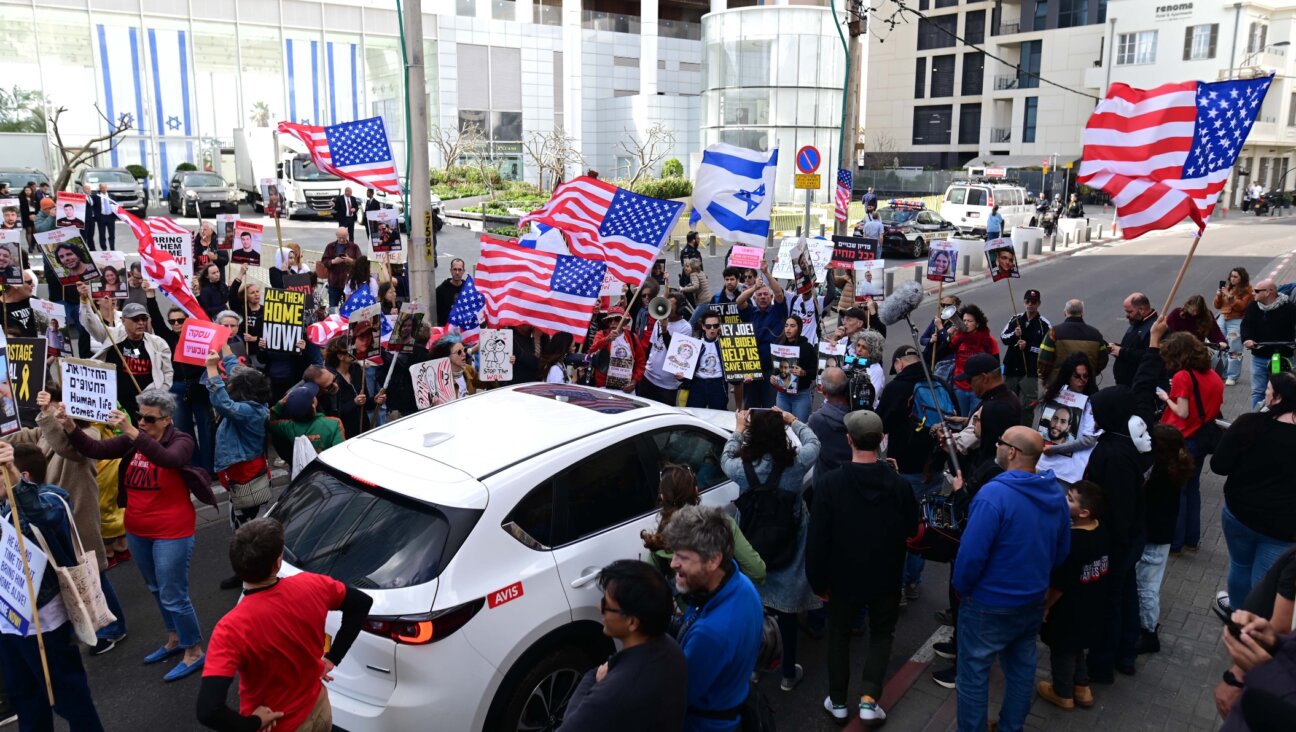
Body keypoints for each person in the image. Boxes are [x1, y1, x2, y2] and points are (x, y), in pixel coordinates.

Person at [63, 392, 211, 682]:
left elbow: (168, 460)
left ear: (167, 419)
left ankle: (194, 650)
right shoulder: (134, 438)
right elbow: (96, 448)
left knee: (174, 594)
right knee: (156, 589)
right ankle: (174, 639)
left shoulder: (180, 440)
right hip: (138, 530)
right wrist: (69, 426)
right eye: (139, 416)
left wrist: (131, 431)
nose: (142, 422)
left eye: (149, 418)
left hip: (172, 531)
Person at [198, 518, 374, 732]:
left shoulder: (231, 629)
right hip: (318, 710)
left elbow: (208, 710)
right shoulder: (312, 585)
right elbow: (361, 603)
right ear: (277, 564)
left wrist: (252, 723)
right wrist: (331, 658)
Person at [953, 426, 1070, 732]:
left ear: (1012, 452)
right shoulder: (1056, 494)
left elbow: (971, 555)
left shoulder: (994, 494)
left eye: (1000, 442)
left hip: (988, 603)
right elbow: (1061, 551)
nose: (997, 446)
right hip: (1032, 601)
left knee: (973, 674)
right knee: (1021, 670)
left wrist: (963, 589)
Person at [806, 410, 919, 724]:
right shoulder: (898, 485)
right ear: (882, 441)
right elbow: (912, 527)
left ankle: (838, 701)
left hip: (841, 578)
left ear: (848, 440)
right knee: (882, 635)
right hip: (886, 576)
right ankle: (869, 701)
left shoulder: (829, 484)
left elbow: (817, 541)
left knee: (839, 636)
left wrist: (818, 582)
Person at [0, 442, 107, 732]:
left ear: (20, 474)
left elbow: (46, 516)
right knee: (26, 699)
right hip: (10, 622)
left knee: (69, 698)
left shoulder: (51, 497)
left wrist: (16, 485)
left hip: (45, 624)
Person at [721, 407, 820, 692]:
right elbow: (815, 443)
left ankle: (755, 666)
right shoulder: (796, 463)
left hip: (752, 539)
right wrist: (793, 420)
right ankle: (788, 672)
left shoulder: (741, 467)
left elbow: (725, 456)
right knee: (787, 611)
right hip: (789, 540)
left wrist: (738, 429)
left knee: (754, 609)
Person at [661, 505, 763, 732]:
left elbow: (676, 698)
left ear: (714, 560)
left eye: (683, 557)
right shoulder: (741, 584)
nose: (673, 563)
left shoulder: (710, 635)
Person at [556, 560, 687, 732]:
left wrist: (592, 678)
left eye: (606, 605)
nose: (598, 607)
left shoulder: (614, 692)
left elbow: (568, 727)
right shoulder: (671, 649)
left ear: (632, 622)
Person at [1083, 383, 1154, 683]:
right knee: (1126, 594)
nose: (1094, 417)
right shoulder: (1130, 443)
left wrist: (1111, 543)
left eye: (1097, 412)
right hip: (1131, 535)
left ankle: (1102, 664)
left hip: (1117, 540)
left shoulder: (1112, 454)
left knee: (1109, 602)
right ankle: (1126, 653)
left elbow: (1117, 504)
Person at [1213, 371, 1296, 611]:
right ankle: (1251, 626)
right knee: (1265, 582)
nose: (1265, 394)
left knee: (1240, 566)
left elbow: (1219, 466)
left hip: (1239, 514)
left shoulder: (1249, 423)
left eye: (1268, 390)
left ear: (1278, 398)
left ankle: (1239, 616)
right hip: (1282, 528)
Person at [1037, 479, 1112, 711]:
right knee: (1077, 645)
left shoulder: (1073, 541)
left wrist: (1046, 606)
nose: (1063, 500)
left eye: (1069, 499)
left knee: (1062, 649)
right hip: (1093, 604)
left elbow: (1060, 584)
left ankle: (1062, 693)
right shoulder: (1102, 530)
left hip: (1069, 609)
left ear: (1083, 512)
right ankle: (1082, 687)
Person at [1156, 328, 1224, 555]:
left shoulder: (1182, 377)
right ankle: (1191, 540)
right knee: (1192, 489)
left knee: (1178, 492)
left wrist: (1167, 398)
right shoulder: (1212, 375)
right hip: (1202, 436)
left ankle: (1174, 543)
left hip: (1183, 437)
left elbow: (1183, 412)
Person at [641, 465, 766, 585]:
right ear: (696, 491)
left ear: (662, 497)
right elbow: (757, 571)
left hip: (692, 607)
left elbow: (644, 590)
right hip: (725, 602)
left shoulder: (658, 541)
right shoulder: (721, 523)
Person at [1134, 423, 1194, 656]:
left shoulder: (1158, 472)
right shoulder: (1175, 467)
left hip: (1153, 536)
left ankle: (1149, 633)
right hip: (1161, 534)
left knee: (1146, 587)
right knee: (1149, 584)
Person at [78, 294, 174, 420]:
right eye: (135, 319)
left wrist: (158, 395)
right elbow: (90, 323)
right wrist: (85, 302)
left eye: (143, 319)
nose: (141, 323)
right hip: (117, 404)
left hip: (146, 404)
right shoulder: (112, 336)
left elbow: (167, 372)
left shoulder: (158, 343)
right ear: (123, 321)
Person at [1035, 353, 1099, 484]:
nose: (1082, 381)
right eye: (1076, 376)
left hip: (1067, 474)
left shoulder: (1092, 402)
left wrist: (1055, 449)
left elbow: (1089, 440)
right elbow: (1042, 421)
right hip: (1043, 465)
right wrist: (1049, 398)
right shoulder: (1059, 392)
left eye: (1085, 376)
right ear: (1067, 376)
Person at [736, 265, 787, 408]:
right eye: (759, 295)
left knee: (771, 407)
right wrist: (754, 288)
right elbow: (739, 301)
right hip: (752, 368)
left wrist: (766, 273)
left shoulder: (778, 311)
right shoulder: (751, 312)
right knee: (750, 407)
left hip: (772, 369)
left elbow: (779, 294)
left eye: (766, 295)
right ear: (755, 298)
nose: (763, 297)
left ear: (771, 298)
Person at [1241, 278, 1296, 410]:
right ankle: (1255, 420)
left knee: (1280, 390)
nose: (1253, 293)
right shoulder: (1253, 307)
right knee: (1258, 391)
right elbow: (1246, 325)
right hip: (1259, 356)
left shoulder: (1289, 308)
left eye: (1257, 291)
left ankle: (1277, 417)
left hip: (1280, 357)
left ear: (1268, 292)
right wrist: (1247, 339)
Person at [1001, 289, 1050, 424]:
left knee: (1027, 406)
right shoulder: (1015, 319)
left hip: (1030, 372)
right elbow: (1004, 337)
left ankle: (1024, 434)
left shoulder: (1044, 324)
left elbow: (1047, 349)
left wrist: (1028, 347)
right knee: (1007, 404)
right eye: (1028, 301)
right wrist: (1014, 335)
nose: (1030, 304)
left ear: (1038, 304)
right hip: (1011, 370)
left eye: (1033, 302)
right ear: (1024, 302)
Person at [1037, 298, 1108, 383]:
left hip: (1058, 385)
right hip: (1086, 384)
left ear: (1065, 313)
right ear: (1082, 313)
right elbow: (1103, 360)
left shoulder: (1053, 333)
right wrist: (1090, 373)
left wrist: (1045, 378)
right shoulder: (1095, 334)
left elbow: (1044, 360)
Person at [639, 293, 692, 406]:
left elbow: (676, 354)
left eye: (671, 306)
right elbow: (651, 346)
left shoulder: (685, 327)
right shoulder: (659, 321)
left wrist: (664, 330)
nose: (667, 308)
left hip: (667, 385)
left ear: (679, 309)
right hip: (648, 377)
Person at [269, 383, 345, 458]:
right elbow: (340, 453)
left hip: (303, 467)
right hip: (327, 467)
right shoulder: (334, 423)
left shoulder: (287, 427)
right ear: (313, 406)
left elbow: (268, 423)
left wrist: (279, 405)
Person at [950, 305, 999, 417]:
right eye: (964, 320)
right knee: (961, 419)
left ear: (977, 324)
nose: (966, 323)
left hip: (979, 389)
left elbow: (996, 366)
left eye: (969, 321)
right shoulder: (958, 338)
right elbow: (941, 352)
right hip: (960, 387)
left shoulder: (989, 341)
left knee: (975, 419)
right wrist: (947, 335)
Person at [807, 367, 852, 476]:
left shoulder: (817, 419)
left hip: (824, 480)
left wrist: (793, 422)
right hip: (853, 479)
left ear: (823, 390)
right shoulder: (860, 413)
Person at [772, 316, 816, 421]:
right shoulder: (779, 346)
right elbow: (776, 370)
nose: (788, 329)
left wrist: (803, 372)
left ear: (799, 328)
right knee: (782, 428)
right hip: (782, 394)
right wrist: (773, 378)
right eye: (786, 326)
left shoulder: (807, 347)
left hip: (800, 395)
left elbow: (815, 372)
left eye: (792, 326)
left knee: (799, 427)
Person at [1214, 267, 1254, 385]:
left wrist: (1230, 297)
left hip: (1236, 320)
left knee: (1235, 348)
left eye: (1236, 277)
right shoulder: (1228, 289)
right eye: (1231, 276)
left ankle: (1232, 375)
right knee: (1221, 345)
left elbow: (1241, 306)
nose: (1232, 279)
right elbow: (1217, 306)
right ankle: (1224, 372)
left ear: (1242, 278)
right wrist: (1219, 296)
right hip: (1223, 318)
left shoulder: (1247, 290)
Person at [683, 309, 730, 409]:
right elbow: (685, 366)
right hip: (698, 385)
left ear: (719, 326)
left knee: (719, 417)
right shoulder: (695, 344)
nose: (712, 329)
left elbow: (735, 368)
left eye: (716, 326)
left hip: (718, 385)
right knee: (694, 417)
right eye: (708, 326)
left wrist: (744, 376)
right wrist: (681, 377)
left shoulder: (726, 344)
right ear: (703, 327)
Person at [1110, 292, 1158, 386]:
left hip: (1138, 385)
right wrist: (1116, 347)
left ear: (1142, 310)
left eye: (1130, 312)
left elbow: (1149, 356)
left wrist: (1122, 351)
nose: (1127, 315)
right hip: (1126, 383)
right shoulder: (1137, 322)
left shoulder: (1155, 328)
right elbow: (1131, 347)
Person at [321, 228, 361, 308]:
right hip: (334, 283)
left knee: (349, 307)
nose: (342, 240)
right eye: (340, 238)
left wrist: (351, 261)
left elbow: (360, 263)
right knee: (333, 307)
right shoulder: (330, 246)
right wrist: (333, 261)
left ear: (347, 235)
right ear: (336, 236)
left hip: (349, 283)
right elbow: (324, 261)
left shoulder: (354, 247)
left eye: (344, 237)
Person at [435, 258, 467, 326]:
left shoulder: (467, 288)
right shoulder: (441, 290)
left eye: (459, 269)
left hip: (464, 329)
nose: (457, 272)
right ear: (450, 270)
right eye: (455, 269)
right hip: (447, 330)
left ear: (463, 271)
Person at [95, 183, 117, 250]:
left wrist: (115, 216)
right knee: (102, 234)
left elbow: (116, 206)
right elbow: (94, 207)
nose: (104, 189)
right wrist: (97, 216)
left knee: (112, 234)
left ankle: (112, 248)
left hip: (110, 217)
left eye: (105, 188)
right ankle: (104, 248)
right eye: (102, 188)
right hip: (101, 217)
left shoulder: (112, 196)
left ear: (107, 188)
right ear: (100, 188)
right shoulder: (96, 196)